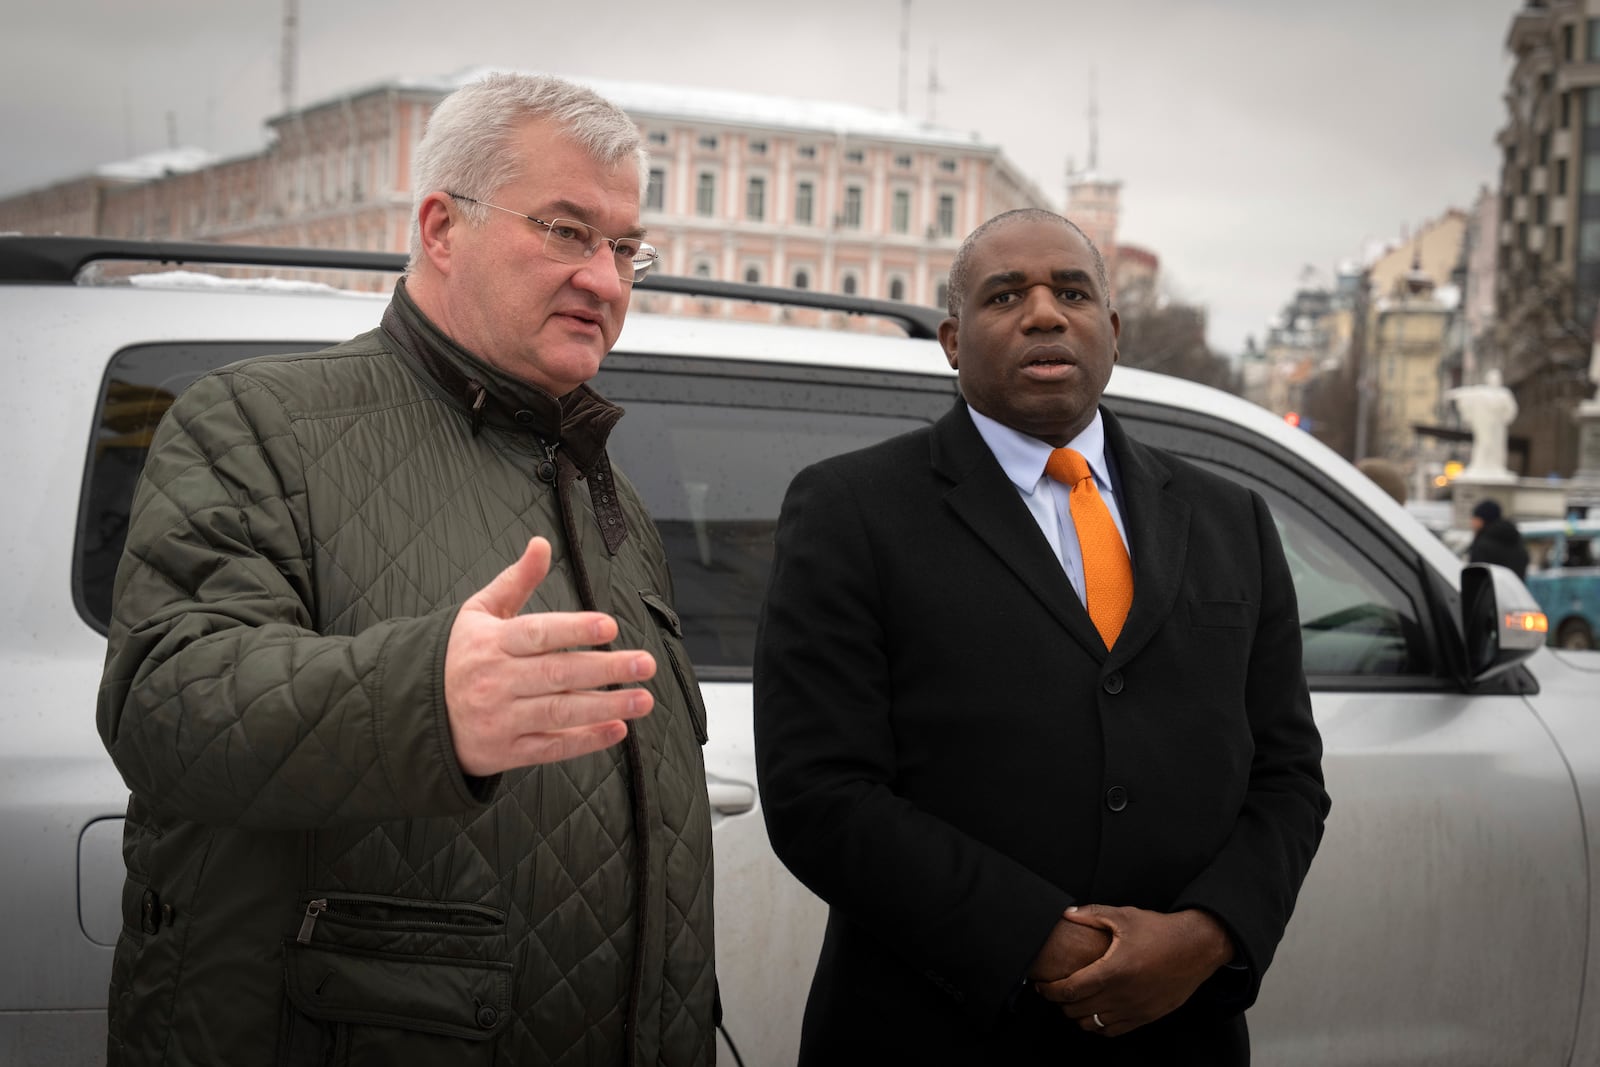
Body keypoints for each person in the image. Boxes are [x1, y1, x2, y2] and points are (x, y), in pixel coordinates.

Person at [96, 73, 716, 1067]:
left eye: (626, 248)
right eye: (566, 231)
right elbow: (165, 701)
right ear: (440, 226)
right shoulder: (255, 424)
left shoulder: (610, 492)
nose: (605, 280)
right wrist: (425, 697)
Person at [754, 208, 1329, 1064]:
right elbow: (819, 792)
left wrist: (1208, 935)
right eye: (1004, 295)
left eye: (1072, 291)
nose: (1045, 313)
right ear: (953, 339)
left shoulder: (1230, 518)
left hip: (1179, 1028)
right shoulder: (852, 510)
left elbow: (1287, 772)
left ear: (1113, 329)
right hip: (934, 1028)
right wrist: (1042, 942)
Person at [1467, 498, 1529, 578]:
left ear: (1482, 520)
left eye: (1475, 518)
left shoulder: (1483, 545)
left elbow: (1475, 575)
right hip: (1514, 589)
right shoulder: (1515, 540)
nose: (1472, 523)